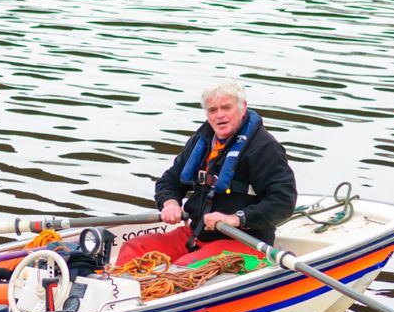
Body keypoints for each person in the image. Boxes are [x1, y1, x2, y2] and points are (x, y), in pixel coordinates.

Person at [117, 78, 297, 267]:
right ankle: (120, 293)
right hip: (196, 234)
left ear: (243, 107)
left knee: (184, 269)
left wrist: (235, 219)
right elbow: (169, 181)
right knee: (134, 248)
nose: (219, 115)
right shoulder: (201, 141)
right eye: (213, 110)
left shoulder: (264, 148)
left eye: (226, 108)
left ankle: (159, 290)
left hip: (244, 241)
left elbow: (284, 202)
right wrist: (170, 203)